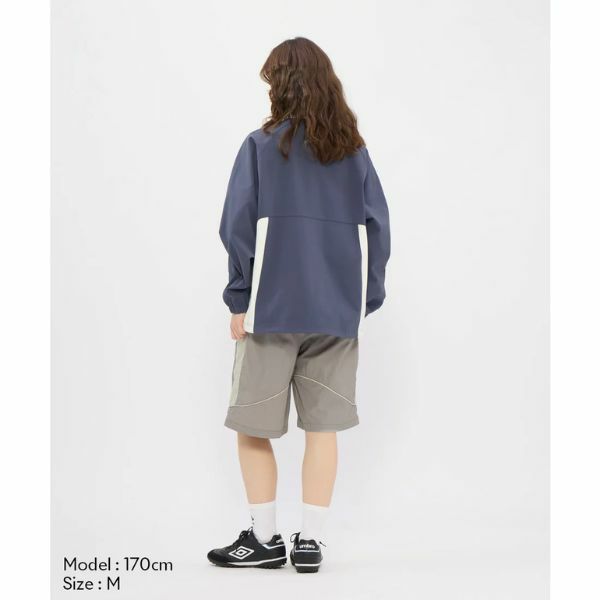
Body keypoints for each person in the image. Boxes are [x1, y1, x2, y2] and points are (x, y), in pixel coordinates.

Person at [207, 37, 390, 573]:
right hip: (336, 315)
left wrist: (239, 297)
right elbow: (379, 229)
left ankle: (264, 539)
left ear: (281, 86)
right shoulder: (354, 153)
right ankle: (311, 541)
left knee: (253, 426)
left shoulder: (259, 148)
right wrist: (362, 300)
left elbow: (236, 227)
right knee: (322, 430)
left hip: (270, 312)